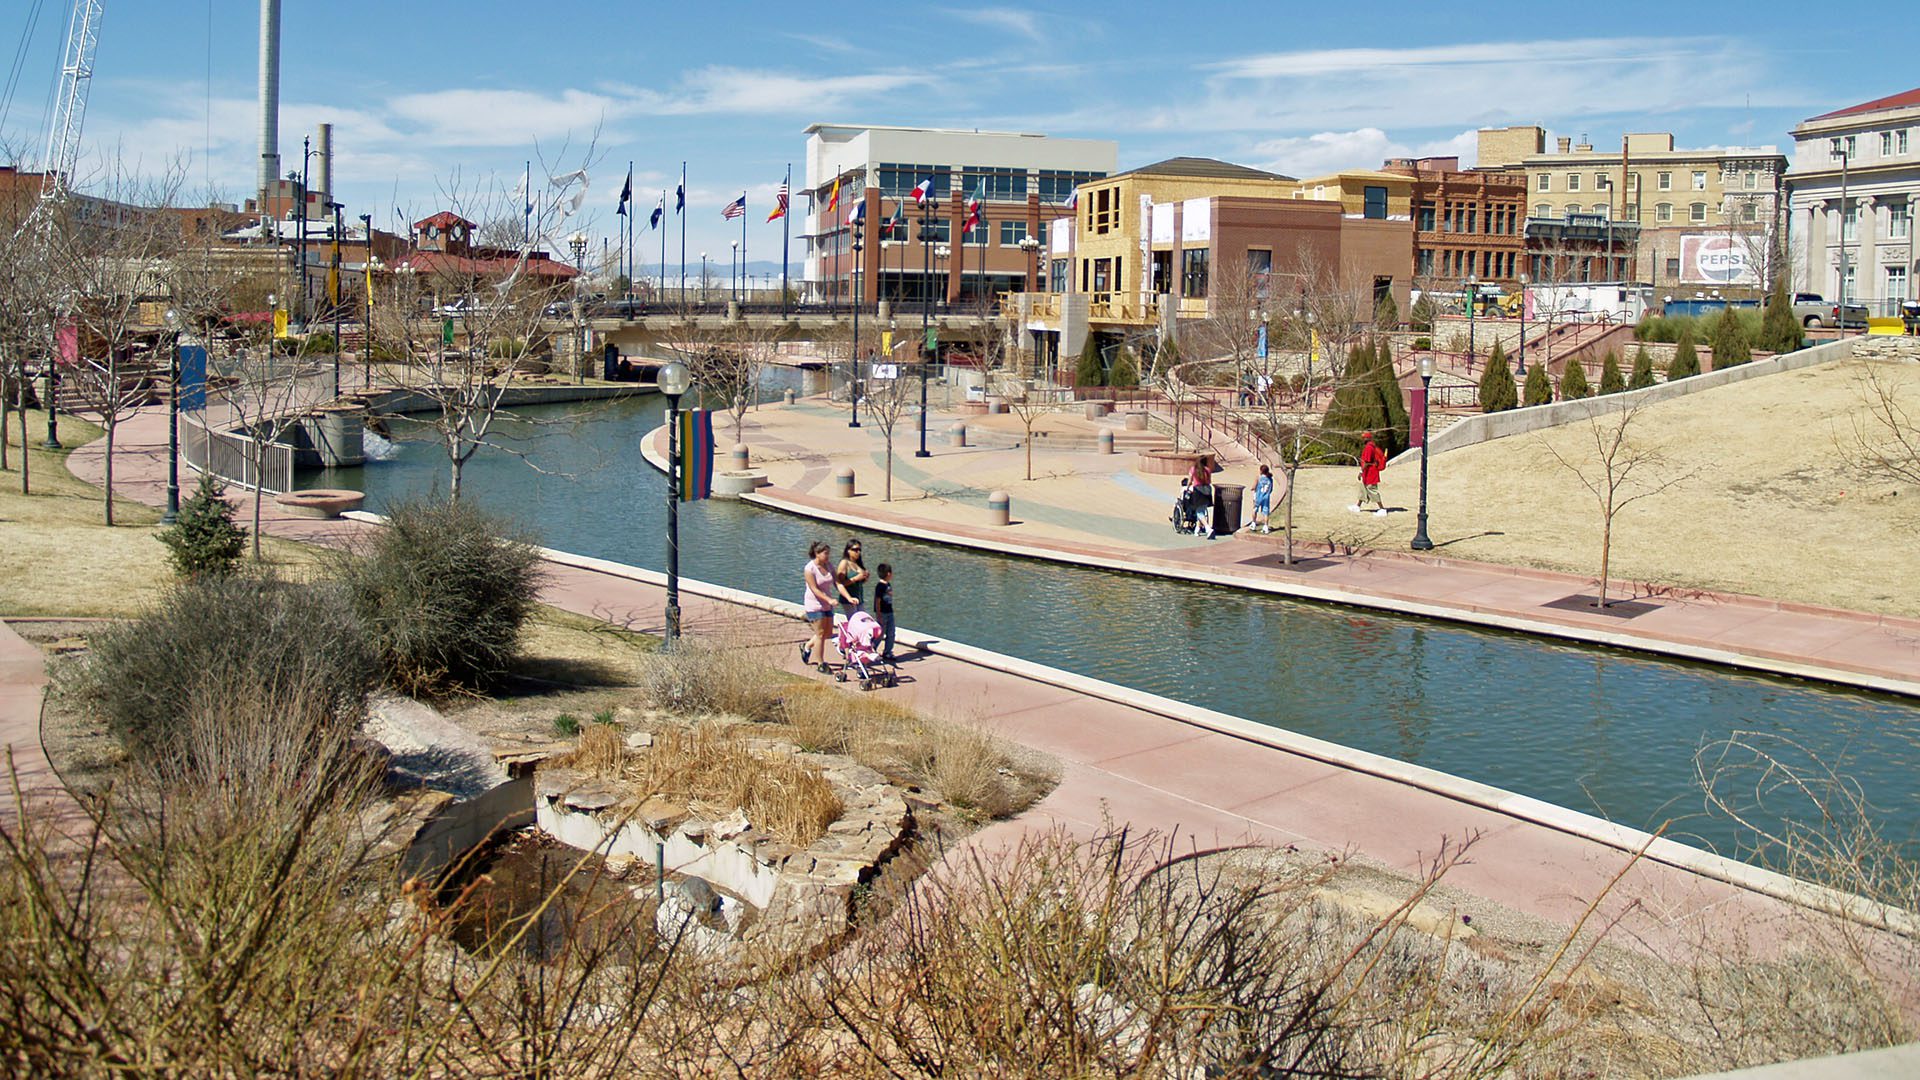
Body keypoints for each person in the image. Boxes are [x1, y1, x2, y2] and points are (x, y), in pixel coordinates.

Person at [799, 541, 837, 673]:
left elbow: (837, 582)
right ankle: (821, 663)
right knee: (820, 634)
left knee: (828, 633)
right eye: (825, 553)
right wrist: (829, 599)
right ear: (817, 553)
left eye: (828, 553)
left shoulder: (829, 566)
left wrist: (848, 597)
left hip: (827, 604)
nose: (828, 556)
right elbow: (814, 589)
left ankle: (807, 646)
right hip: (814, 605)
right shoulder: (809, 569)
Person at [1354, 431, 1388, 516]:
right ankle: (1358, 506)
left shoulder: (1369, 448)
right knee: (1363, 488)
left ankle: (1382, 509)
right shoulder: (1371, 446)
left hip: (1370, 472)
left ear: (1368, 438)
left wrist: (1361, 471)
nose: (1363, 439)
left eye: (1364, 437)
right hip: (1368, 472)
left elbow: (1367, 462)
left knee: (1372, 490)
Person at [835, 538, 869, 614]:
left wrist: (865, 578)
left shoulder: (858, 563)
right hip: (848, 599)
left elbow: (859, 582)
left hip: (859, 598)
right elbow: (840, 583)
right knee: (854, 621)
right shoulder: (844, 563)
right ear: (848, 550)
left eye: (859, 550)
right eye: (855, 550)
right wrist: (856, 578)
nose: (858, 552)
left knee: (862, 620)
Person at [1186, 455, 1216, 539]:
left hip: (1198, 491)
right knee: (1202, 510)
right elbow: (1209, 481)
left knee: (1199, 512)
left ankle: (1208, 528)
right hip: (1207, 491)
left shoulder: (1193, 469)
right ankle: (1197, 529)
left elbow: (1190, 480)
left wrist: (1188, 488)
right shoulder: (1208, 470)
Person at [874, 563, 897, 661]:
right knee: (880, 633)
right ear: (888, 574)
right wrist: (878, 614)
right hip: (882, 613)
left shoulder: (888, 584)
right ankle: (871, 648)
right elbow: (877, 600)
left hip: (889, 611)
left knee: (891, 632)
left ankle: (887, 651)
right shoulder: (880, 586)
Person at [1251, 464, 1274, 534]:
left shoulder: (1258, 477)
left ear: (1261, 471)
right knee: (1266, 512)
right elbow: (1271, 489)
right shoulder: (1270, 479)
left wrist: (1252, 489)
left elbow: (1254, 487)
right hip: (1266, 497)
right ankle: (1266, 526)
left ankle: (1253, 524)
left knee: (1254, 509)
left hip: (1258, 496)